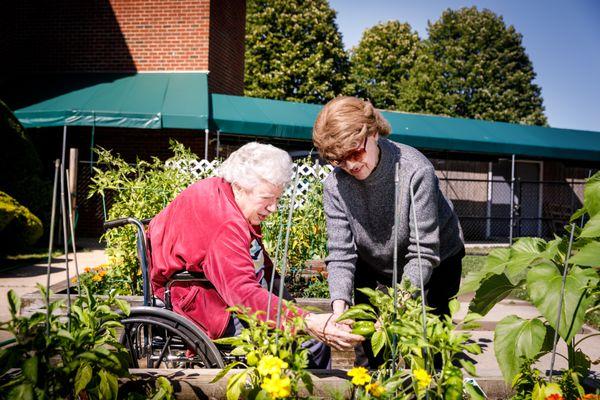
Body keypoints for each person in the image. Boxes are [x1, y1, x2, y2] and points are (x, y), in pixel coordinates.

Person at [147, 142, 363, 367]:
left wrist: (291, 306)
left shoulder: (220, 190)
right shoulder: (226, 224)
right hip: (198, 303)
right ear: (240, 186)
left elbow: (261, 264)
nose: (273, 208)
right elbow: (243, 295)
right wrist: (306, 321)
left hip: (196, 290)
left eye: (277, 199)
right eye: (267, 198)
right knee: (309, 344)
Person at [312, 96, 465, 367]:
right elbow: (341, 253)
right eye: (338, 159)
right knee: (370, 352)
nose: (350, 165)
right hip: (371, 259)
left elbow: (423, 252)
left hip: (436, 261)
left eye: (355, 153)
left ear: (373, 133)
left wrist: (400, 304)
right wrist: (339, 309)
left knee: (428, 350)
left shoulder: (415, 170)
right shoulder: (335, 186)